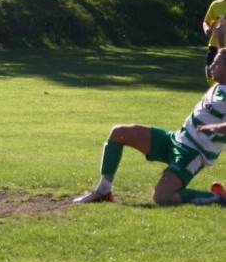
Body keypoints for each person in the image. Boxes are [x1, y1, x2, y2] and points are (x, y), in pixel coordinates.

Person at [74, 18, 226, 206]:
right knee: (119, 132)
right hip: (176, 139)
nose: (211, 67)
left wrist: (215, 127)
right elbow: (223, 55)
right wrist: (219, 37)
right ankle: (103, 191)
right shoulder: (220, 82)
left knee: (162, 197)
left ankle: (218, 198)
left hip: (193, 153)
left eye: (216, 65)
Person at [203, 0, 226, 86]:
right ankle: (214, 90)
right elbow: (206, 21)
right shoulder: (216, 4)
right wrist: (207, 29)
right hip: (214, 43)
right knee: (209, 70)